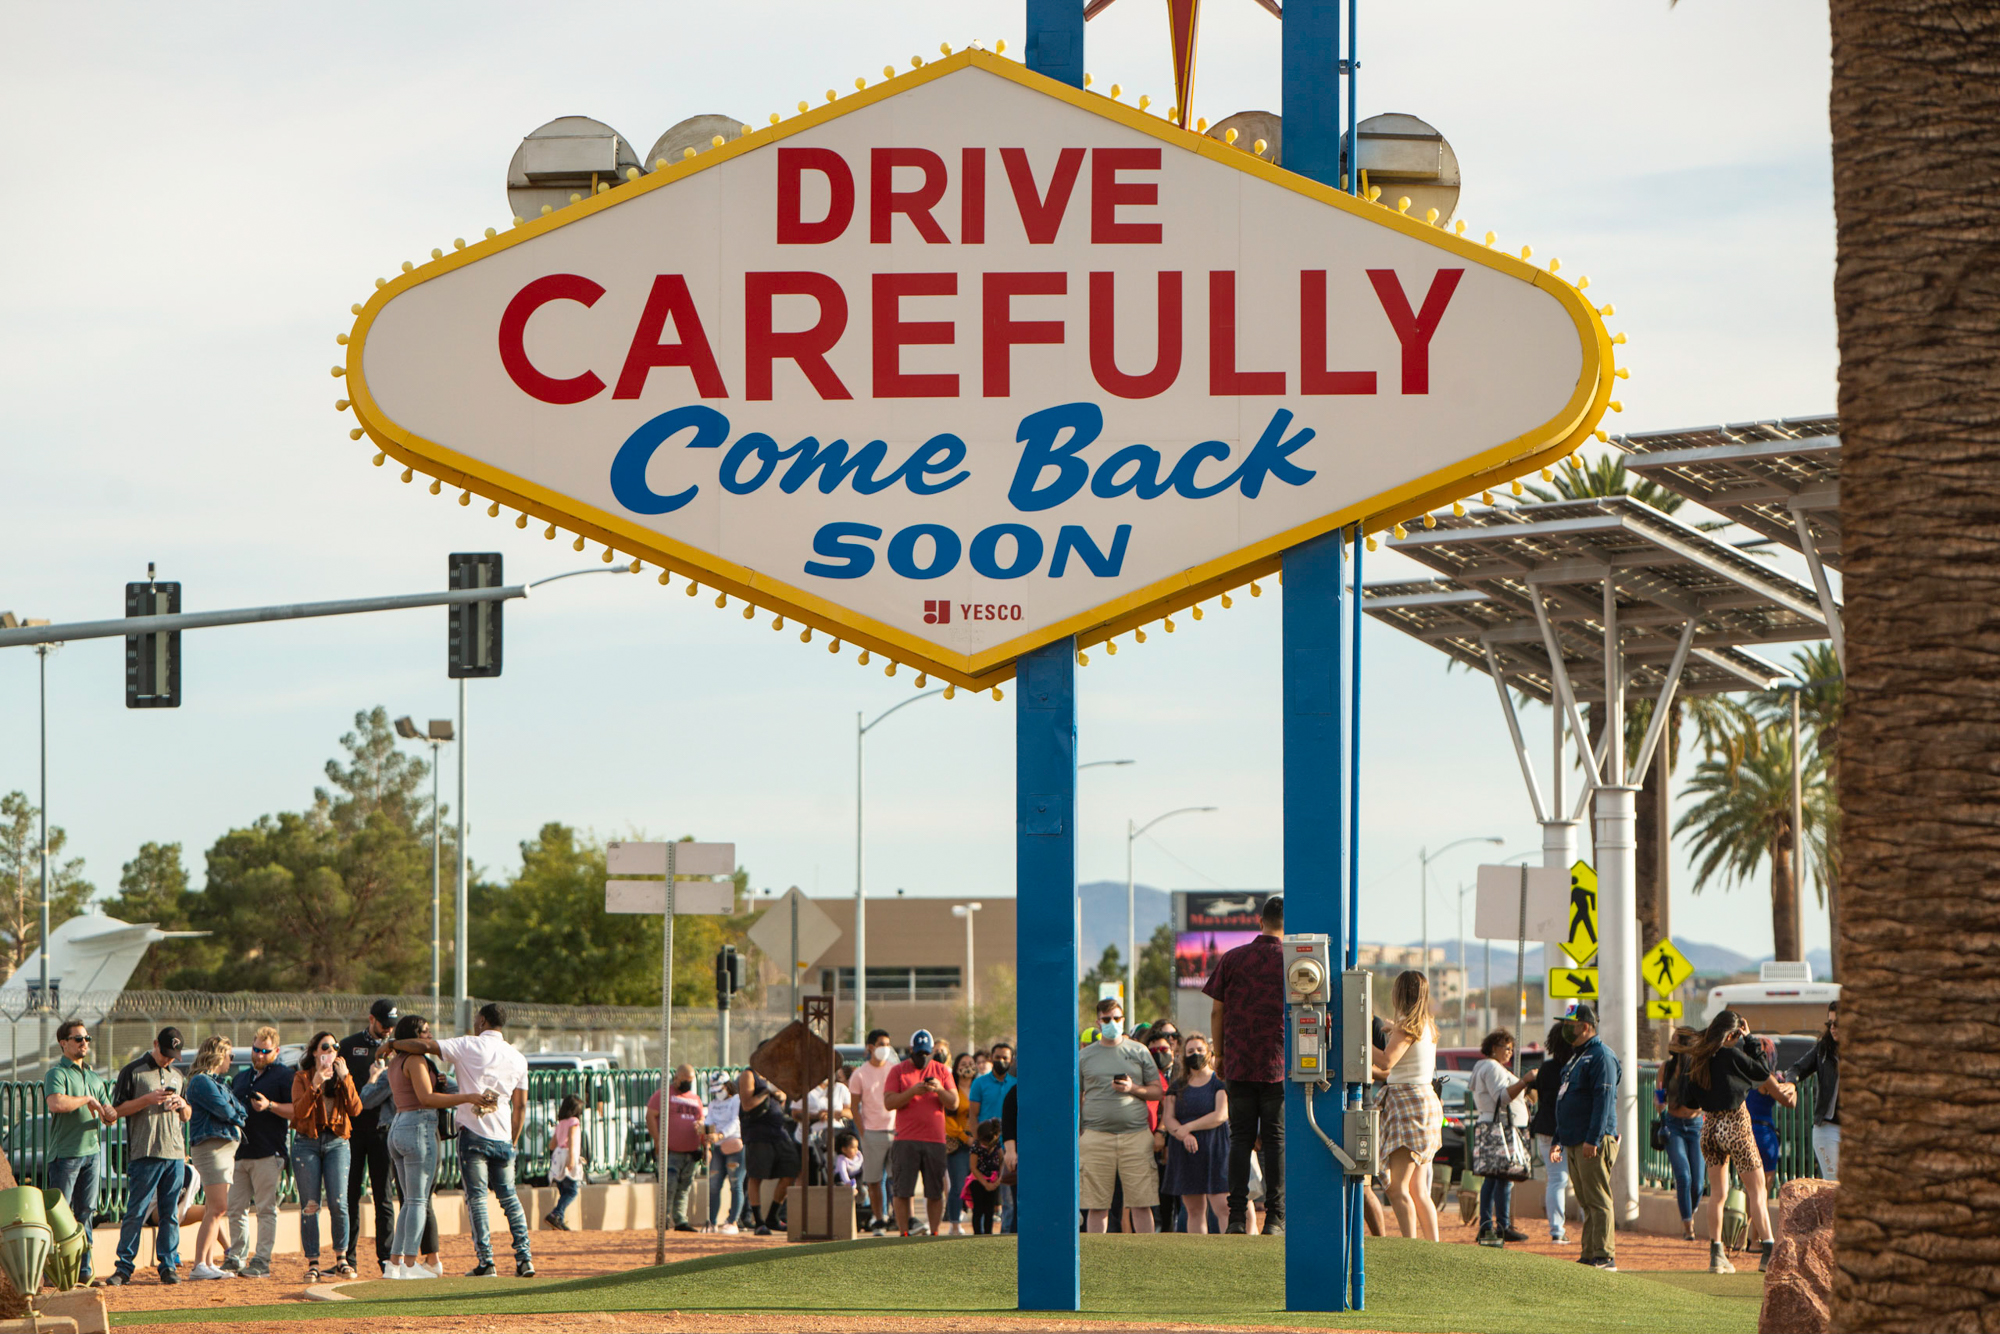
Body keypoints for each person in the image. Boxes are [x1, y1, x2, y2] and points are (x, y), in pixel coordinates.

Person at [385, 1002, 535, 1277]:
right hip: (502, 1134)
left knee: (476, 1199)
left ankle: (486, 1262)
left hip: (473, 1131)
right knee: (510, 1199)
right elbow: (521, 1106)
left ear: (481, 1021)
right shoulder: (517, 1057)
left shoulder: (469, 1045)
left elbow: (425, 1047)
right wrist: (512, 1140)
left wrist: (393, 1042)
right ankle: (524, 1259)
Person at [1678, 1009, 1796, 1274]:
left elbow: (1688, 1101)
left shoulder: (1698, 1059)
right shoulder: (1732, 1055)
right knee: (1757, 1191)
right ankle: (1767, 1251)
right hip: (1736, 1125)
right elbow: (1763, 1070)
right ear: (1733, 1034)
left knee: (1718, 1194)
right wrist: (1751, 1039)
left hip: (1710, 1128)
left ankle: (1717, 1256)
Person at [380, 1012, 489, 1279]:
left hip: (399, 1126)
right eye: (425, 1032)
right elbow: (426, 1099)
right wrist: (469, 1097)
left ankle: (394, 1263)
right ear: (413, 1036)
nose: (429, 1037)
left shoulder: (396, 1061)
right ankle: (408, 1265)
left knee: (408, 1201)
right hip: (417, 1127)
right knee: (417, 1200)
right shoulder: (414, 1059)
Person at [1203, 894, 1286, 1235]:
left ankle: (1236, 1217)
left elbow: (1217, 1011)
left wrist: (1219, 1055)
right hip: (1279, 1064)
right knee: (1276, 1140)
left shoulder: (1233, 958)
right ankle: (1277, 1219)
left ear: (1259, 921)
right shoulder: (1294, 962)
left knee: (1239, 1138)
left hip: (1238, 1062)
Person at [108, 1027, 191, 1286]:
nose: (168, 1060)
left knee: (170, 1213)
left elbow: (187, 1115)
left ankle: (168, 1265)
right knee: (136, 1211)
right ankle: (124, 1267)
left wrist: (182, 1106)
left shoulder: (177, 1075)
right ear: (155, 1044)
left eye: (172, 1056)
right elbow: (116, 1110)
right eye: (165, 1053)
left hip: (174, 1152)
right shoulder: (132, 1072)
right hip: (144, 1152)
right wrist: (146, 1099)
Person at [1078, 998, 1163, 1233]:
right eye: (1106, 1019)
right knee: (1096, 1206)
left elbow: (1157, 1091)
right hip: (1095, 1137)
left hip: (1136, 1136)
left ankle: (1147, 1256)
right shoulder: (1084, 1056)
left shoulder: (1139, 1051)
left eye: (1116, 1018)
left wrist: (1133, 1089)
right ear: (1098, 1022)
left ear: (1123, 1020)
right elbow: (1075, 1097)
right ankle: (1096, 1256)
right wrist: (1079, 1135)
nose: (1112, 1023)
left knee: (1142, 1203)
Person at [44, 1020, 116, 1286]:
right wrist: (87, 1100)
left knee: (85, 1212)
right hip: (66, 1154)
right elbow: (56, 1103)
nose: (84, 1043)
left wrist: (110, 1114)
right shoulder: (57, 1073)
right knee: (61, 1215)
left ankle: (84, 1273)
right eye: (78, 1039)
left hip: (92, 1153)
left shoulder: (94, 1077)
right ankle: (56, 1274)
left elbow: (110, 1114)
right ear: (64, 1043)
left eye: (87, 1038)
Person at [287, 1031, 363, 1282]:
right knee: (310, 1205)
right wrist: (316, 1083)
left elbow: (356, 1109)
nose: (330, 1052)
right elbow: (299, 1112)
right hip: (307, 1143)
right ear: (315, 1052)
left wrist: (346, 1078)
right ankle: (313, 1262)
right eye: (325, 1047)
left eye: (334, 1048)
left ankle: (342, 1258)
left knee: (339, 1202)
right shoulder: (302, 1077)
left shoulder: (342, 1078)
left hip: (337, 1142)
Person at [1552, 1004, 1622, 1271]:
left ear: (1585, 1026)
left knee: (1598, 1198)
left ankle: (1604, 1255)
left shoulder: (1601, 1056)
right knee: (1586, 1200)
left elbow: (1603, 1099)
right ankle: (1590, 1253)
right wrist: (1559, 1138)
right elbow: (1564, 1100)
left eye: (1569, 1024)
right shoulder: (1577, 1057)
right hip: (1573, 1139)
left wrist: (1594, 1138)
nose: (1565, 1029)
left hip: (1591, 1140)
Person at [1373, 972, 1441, 1242]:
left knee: (1397, 1188)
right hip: (1425, 1101)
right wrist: (1392, 1030)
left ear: (1399, 993)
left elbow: (1387, 1062)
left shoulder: (1406, 1028)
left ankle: (1410, 1246)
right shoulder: (1426, 1026)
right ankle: (1433, 1246)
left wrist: (1361, 1044)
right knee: (1419, 1189)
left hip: (1406, 1105)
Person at [339, 999, 399, 1278]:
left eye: (392, 1025)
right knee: (349, 1196)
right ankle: (347, 1258)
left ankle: (386, 1259)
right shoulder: (349, 1045)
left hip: (384, 1132)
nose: (388, 1030)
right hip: (352, 1132)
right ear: (371, 1019)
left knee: (383, 1198)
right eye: (384, 1024)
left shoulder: (397, 1048)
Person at [227, 1027, 293, 1277]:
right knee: (236, 1208)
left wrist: (270, 1106)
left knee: (265, 1209)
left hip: (268, 1152)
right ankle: (236, 1257)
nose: (260, 1055)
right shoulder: (242, 1078)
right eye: (256, 1049)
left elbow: (296, 1110)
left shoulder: (284, 1076)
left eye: (266, 1051)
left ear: (275, 1051)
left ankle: (262, 1260)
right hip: (241, 1152)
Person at [183, 1036, 247, 1280]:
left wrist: (236, 1114)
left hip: (223, 1149)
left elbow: (239, 1110)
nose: (231, 1060)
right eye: (229, 1055)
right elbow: (227, 1110)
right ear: (218, 1055)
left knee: (214, 1208)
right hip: (212, 1149)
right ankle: (199, 1263)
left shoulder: (215, 1081)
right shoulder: (201, 1082)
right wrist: (236, 1114)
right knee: (219, 1207)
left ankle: (208, 1262)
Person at [884, 1028, 958, 1236]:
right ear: (910, 1050)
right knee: (902, 1190)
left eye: (926, 1054)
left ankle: (934, 1232)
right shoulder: (898, 1071)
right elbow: (889, 1102)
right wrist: (912, 1091)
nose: (923, 1058)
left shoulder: (941, 1071)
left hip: (935, 1140)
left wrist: (939, 1090)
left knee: (935, 1191)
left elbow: (954, 1103)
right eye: (918, 1054)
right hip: (906, 1139)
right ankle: (904, 1232)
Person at [1161, 1032, 1229, 1234]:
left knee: (1223, 1205)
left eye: (1199, 1050)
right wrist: (1184, 1135)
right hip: (1185, 1151)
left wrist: (1189, 1127)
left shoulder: (1218, 1082)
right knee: (1193, 1208)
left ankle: (1232, 1251)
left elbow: (1220, 1114)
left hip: (1216, 1148)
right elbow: (1168, 1118)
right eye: (1190, 1051)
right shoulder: (1177, 1086)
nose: (1195, 1054)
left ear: (1208, 1052)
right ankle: (1198, 1252)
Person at [1469, 1029, 1532, 1248]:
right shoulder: (1491, 1067)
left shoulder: (1484, 1066)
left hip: (1495, 1125)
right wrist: (1524, 1082)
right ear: (1494, 1047)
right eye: (1507, 1048)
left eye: (1512, 1049)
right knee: (1500, 1175)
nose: (1510, 1052)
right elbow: (1502, 1097)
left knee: (1497, 1176)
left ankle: (1493, 1224)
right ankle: (1496, 1225)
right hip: (1500, 1127)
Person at [1655, 1026, 1705, 1241]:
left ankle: (1689, 1211)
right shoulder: (1666, 1068)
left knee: (1699, 1183)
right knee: (1683, 1176)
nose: (1671, 1041)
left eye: (1676, 1038)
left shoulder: (1698, 1068)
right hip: (1673, 1125)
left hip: (1696, 1126)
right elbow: (1659, 1095)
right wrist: (1659, 1104)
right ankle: (1688, 1225)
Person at [846, 1029, 897, 1234]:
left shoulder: (895, 1070)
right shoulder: (860, 1074)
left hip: (895, 1131)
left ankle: (899, 1218)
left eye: (887, 1044)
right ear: (870, 1047)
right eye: (881, 1044)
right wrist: (863, 1132)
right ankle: (878, 1220)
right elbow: (854, 1106)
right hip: (872, 1133)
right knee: (874, 1180)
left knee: (897, 1179)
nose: (885, 1048)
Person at [1528, 1021, 1574, 1244]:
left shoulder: (1546, 1067)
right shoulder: (1576, 1066)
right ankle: (1586, 1227)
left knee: (1556, 1180)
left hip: (1546, 1127)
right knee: (1578, 1179)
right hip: (1571, 1128)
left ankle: (1557, 1230)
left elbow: (1538, 1096)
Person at [739, 1067, 798, 1235]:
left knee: (791, 1170)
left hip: (779, 1132)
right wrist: (767, 1091)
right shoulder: (749, 1075)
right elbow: (748, 1104)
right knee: (756, 1176)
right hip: (758, 1134)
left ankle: (773, 1216)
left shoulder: (773, 1074)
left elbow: (784, 1098)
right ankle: (758, 1222)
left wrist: (780, 1095)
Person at [966, 1040, 1016, 1232]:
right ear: (991, 1059)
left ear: (1011, 1061)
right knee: (984, 1198)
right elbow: (973, 1114)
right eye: (997, 1058)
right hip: (987, 1148)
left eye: (1005, 1058)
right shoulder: (980, 1083)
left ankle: (1007, 1233)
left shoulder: (1017, 1084)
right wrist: (978, 1142)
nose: (1001, 1061)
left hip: (1009, 1146)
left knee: (1008, 1198)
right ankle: (982, 1234)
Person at [647, 1064, 705, 1232]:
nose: (687, 1083)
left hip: (691, 1152)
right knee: (669, 1187)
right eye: (684, 1080)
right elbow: (650, 1115)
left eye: (690, 1080)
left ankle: (680, 1220)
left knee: (684, 1188)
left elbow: (701, 1121)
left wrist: (703, 1139)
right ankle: (663, 1220)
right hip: (671, 1152)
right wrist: (657, 1140)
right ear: (676, 1078)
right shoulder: (663, 1095)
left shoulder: (695, 1099)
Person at [1787, 1002, 1840, 1181]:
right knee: (1835, 1184)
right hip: (1828, 1129)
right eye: (1829, 1024)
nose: (1832, 1028)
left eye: (1838, 1023)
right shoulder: (1823, 1051)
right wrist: (1791, 1083)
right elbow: (1797, 1069)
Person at [704, 1074, 746, 1234]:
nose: (717, 1093)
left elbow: (735, 1121)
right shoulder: (714, 1103)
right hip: (717, 1147)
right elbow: (710, 1120)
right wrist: (703, 1128)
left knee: (735, 1184)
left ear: (727, 1086)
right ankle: (712, 1222)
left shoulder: (736, 1100)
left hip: (733, 1145)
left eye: (719, 1089)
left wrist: (720, 1135)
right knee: (714, 1185)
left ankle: (732, 1221)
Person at [942, 1052, 977, 1235]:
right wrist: (965, 1137)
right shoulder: (952, 1089)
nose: (968, 1066)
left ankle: (979, 1223)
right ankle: (954, 1224)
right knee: (958, 1185)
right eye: (963, 1063)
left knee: (979, 1183)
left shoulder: (979, 1086)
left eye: (971, 1063)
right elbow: (949, 1121)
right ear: (956, 1068)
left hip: (980, 1142)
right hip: (958, 1144)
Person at [546, 1094, 585, 1232]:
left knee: (563, 1189)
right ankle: (556, 1213)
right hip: (568, 1153)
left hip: (557, 1155)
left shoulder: (560, 1123)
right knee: (572, 1190)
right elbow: (572, 1140)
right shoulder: (574, 1122)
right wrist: (572, 1158)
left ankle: (559, 1219)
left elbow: (552, 1145)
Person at [967, 1118, 1005, 1234]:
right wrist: (985, 1183)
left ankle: (988, 1234)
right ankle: (977, 1234)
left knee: (990, 1211)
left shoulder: (997, 1146)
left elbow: (1002, 1161)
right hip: (977, 1181)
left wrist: (999, 1179)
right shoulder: (976, 1147)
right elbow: (973, 1167)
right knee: (978, 1210)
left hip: (993, 1181)